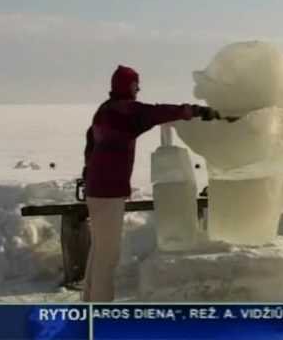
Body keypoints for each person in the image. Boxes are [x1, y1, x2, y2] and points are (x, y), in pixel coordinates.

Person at [81, 65, 220, 302]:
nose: (138, 88)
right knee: (108, 257)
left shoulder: (104, 110)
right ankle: (100, 314)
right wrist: (194, 110)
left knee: (98, 250)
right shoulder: (126, 111)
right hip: (108, 191)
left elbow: (90, 144)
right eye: (136, 84)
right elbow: (159, 112)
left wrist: (88, 174)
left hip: (96, 189)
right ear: (127, 85)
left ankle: (88, 304)